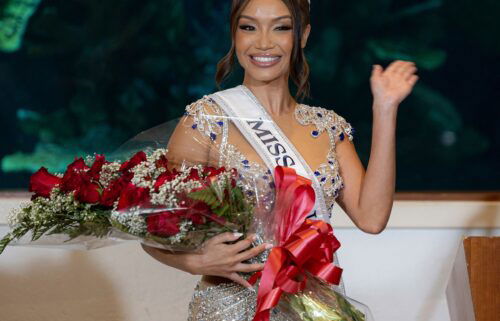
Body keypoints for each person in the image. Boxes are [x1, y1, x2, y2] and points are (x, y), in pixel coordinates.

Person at [141, 0, 418, 319]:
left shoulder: (327, 128)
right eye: (248, 27)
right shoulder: (207, 122)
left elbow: (372, 218)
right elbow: (151, 228)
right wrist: (196, 262)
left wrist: (385, 109)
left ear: (302, 36)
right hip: (232, 308)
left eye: (281, 27)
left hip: (314, 307)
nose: (263, 42)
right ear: (234, 34)